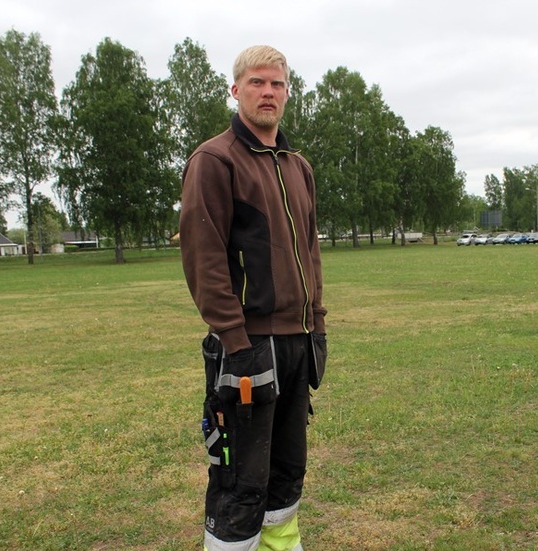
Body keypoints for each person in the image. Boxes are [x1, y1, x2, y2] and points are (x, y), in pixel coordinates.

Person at [179, 45, 327, 551]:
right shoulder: (214, 160)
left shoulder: (297, 166)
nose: (268, 92)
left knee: (286, 476)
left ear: (288, 92)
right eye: (258, 83)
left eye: (278, 84)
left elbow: (310, 253)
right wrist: (236, 342)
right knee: (240, 484)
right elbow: (205, 261)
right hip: (247, 347)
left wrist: (317, 326)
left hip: (295, 342)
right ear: (236, 89)